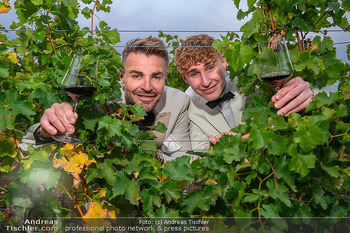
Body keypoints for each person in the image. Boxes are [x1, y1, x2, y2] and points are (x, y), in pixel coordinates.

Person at [21, 36, 192, 162]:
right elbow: (25, 148)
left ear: (166, 78)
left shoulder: (179, 102)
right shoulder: (98, 101)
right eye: (137, 76)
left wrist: (154, 157)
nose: (147, 87)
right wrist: (44, 133)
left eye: (156, 77)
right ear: (121, 77)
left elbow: (183, 162)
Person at [173, 34, 314, 150]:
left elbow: (290, 109)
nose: (206, 82)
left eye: (210, 68)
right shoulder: (184, 108)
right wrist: (218, 148)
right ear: (184, 78)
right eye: (194, 74)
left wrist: (304, 97)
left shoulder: (253, 79)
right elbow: (200, 156)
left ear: (224, 62)